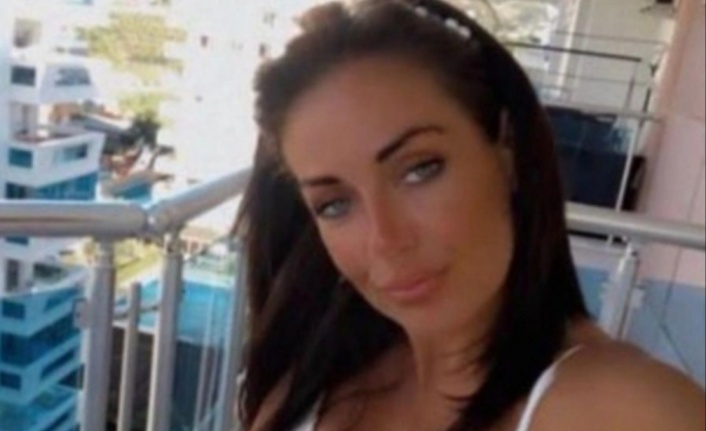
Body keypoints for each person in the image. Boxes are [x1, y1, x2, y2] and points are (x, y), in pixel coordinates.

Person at [235, 0, 706, 430]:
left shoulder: (626, 409)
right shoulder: (311, 381)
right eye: (335, 204)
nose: (386, 240)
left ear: (507, 152)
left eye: (420, 169)